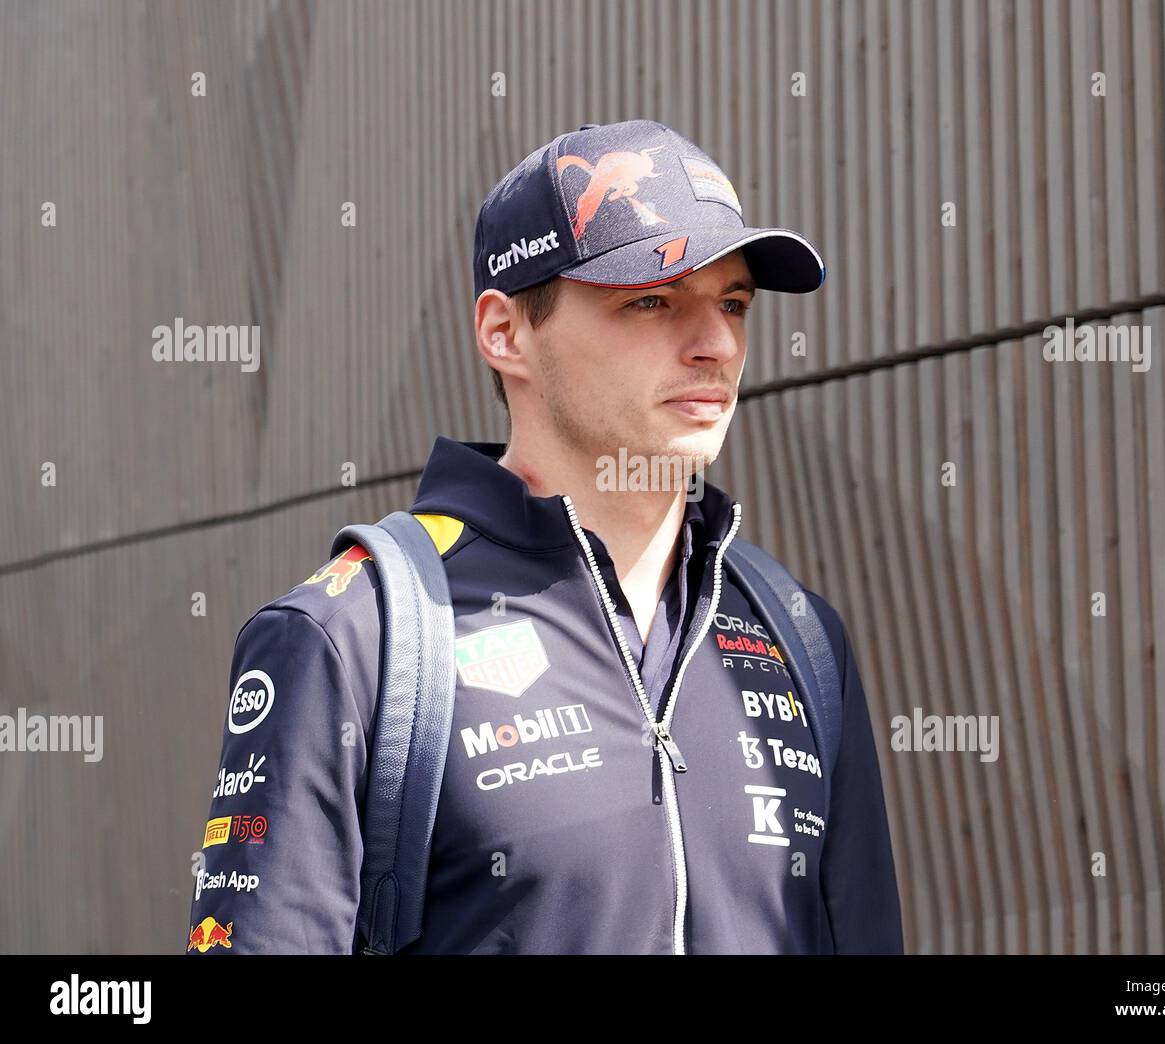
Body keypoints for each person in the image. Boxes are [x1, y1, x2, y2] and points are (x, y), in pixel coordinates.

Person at [186, 119, 902, 955]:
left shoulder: (799, 637)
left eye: (734, 303)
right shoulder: (358, 639)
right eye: (651, 300)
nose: (717, 346)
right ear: (504, 332)